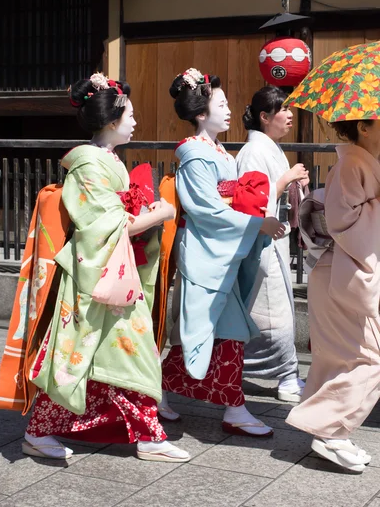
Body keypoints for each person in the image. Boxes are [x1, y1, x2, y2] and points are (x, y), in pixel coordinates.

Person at [19, 73, 190, 463]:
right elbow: (108, 225)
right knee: (88, 354)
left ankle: (145, 434)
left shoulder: (106, 159)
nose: (134, 121)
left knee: (108, 356)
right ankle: (40, 431)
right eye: (129, 114)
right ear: (112, 121)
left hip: (112, 270)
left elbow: (118, 218)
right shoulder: (89, 166)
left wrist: (142, 210)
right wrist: (162, 212)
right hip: (95, 272)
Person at [159, 68, 286, 437]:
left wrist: (254, 210)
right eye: (221, 103)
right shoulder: (197, 154)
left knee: (214, 332)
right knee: (220, 332)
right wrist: (256, 225)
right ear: (201, 113)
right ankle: (235, 409)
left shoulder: (216, 151)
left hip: (221, 254)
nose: (230, 110)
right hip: (206, 254)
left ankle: (160, 390)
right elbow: (207, 211)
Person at [286, 118, 380, 473]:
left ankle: (330, 430)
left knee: (337, 359)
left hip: (342, 273)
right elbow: (344, 223)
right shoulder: (353, 163)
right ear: (365, 127)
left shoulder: (361, 161)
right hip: (343, 273)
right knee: (370, 360)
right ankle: (326, 430)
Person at [236, 86, 309, 402]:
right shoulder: (253, 152)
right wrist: (285, 179)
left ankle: (282, 374)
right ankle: (285, 377)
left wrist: (295, 182)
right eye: (283, 109)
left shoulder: (268, 149)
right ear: (265, 117)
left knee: (276, 310)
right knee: (271, 312)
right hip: (260, 243)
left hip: (271, 240)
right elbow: (249, 202)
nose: (290, 115)